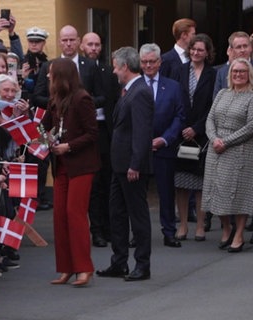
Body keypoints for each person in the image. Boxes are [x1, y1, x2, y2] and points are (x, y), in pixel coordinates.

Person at [96, 46, 154, 281]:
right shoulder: (128, 90)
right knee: (117, 214)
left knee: (137, 216)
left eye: (116, 66)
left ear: (125, 67)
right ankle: (119, 262)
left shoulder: (140, 92)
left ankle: (142, 264)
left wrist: (135, 164)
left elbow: (142, 132)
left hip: (131, 167)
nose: (114, 71)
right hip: (119, 165)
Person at [40, 58, 99, 286]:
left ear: (61, 75)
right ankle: (65, 267)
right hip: (62, 166)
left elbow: (92, 134)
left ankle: (84, 268)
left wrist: (69, 145)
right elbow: (45, 128)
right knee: (59, 217)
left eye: (51, 73)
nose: (48, 76)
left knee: (75, 215)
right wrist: (44, 138)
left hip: (81, 165)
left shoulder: (82, 98)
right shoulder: (54, 100)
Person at [213, 31, 253, 245]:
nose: (243, 50)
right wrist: (220, 135)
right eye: (238, 47)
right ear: (231, 49)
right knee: (225, 183)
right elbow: (216, 102)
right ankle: (227, 228)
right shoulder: (222, 72)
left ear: (251, 46)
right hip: (225, 138)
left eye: (246, 46)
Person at [203, 58, 253, 253]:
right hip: (216, 148)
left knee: (239, 193)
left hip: (240, 149)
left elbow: (252, 126)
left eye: (242, 72)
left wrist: (226, 142)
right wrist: (214, 139)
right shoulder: (222, 93)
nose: (238, 75)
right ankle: (227, 228)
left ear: (249, 75)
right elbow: (210, 118)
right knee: (218, 190)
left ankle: (239, 235)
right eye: (235, 71)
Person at [140, 43, 185, 248]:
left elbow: (179, 116)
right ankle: (139, 234)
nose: (148, 66)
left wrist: (165, 139)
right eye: (144, 62)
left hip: (164, 147)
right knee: (138, 194)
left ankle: (169, 232)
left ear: (160, 62)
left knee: (166, 193)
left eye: (152, 61)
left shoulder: (173, 86)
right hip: (139, 149)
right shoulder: (133, 84)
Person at [171, 34, 216, 241]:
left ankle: (200, 225)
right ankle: (182, 225)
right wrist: (183, 127)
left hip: (202, 134)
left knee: (199, 184)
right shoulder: (179, 71)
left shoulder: (212, 74)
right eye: (193, 49)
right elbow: (173, 101)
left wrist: (197, 128)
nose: (196, 53)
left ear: (207, 52)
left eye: (200, 50)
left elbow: (213, 106)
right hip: (180, 133)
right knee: (181, 183)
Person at [80, 32, 119, 247]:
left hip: (105, 130)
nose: (94, 48)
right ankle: (96, 230)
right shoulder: (77, 71)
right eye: (90, 44)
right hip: (85, 132)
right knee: (93, 185)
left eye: (97, 44)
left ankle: (108, 227)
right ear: (82, 46)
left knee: (107, 181)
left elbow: (111, 98)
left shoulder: (107, 71)